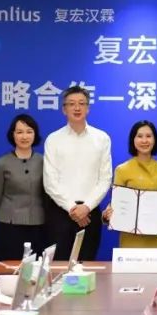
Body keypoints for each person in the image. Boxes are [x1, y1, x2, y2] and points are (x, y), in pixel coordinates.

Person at [43, 86, 112, 262]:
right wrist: (72, 208)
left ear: (88, 108)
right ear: (63, 109)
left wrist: (86, 207)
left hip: (90, 214)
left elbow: (105, 179)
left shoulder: (101, 138)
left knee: (86, 267)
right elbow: (50, 182)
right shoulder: (53, 139)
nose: (77, 108)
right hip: (60, 213)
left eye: (82, 103)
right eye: (71, 104)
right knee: (59, 266)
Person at [102, 121, 157, 250]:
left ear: (155, 140)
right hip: (130, 238)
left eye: (149, 136)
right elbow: (117, 202)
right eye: (139, 136)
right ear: (133, 140)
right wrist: (107, 215)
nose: (144, 140)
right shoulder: (122, 170)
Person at [0, 114, 46, 260]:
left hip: (37, 223)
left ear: (35, 134)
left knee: (35, 266)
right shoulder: (1, 163)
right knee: (9, 266)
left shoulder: (44, 161)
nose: (24, 136)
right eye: (19, 132)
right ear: (12, 135)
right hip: (10, 225)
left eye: (29, 131)